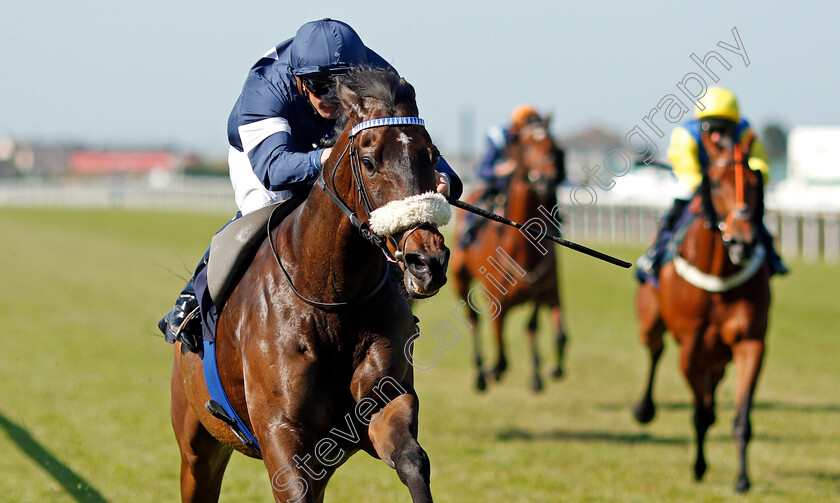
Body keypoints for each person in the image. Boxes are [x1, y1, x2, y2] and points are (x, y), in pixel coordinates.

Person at [159, 19, 461, 349]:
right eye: (318, 84)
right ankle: (194, 295)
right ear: (299, 80)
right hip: (268, 154)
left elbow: (409, 142)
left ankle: (390, 305)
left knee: (366, 211)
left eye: (341, 84)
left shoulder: (379, 75)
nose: (330, 96)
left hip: (336, 149)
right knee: (263, 211)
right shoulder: (265, 85)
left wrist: (443, 177)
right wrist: (328, 159)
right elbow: (275, 169)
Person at [636, 86, 787, 282]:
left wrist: (752, 175)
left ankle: (771, 255)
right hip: (697, 186)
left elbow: (760, 163)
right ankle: (655, 253)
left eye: (724, 129)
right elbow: (687, 171)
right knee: (676, 211)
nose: (716, 136)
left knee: (752, 215)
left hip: (728, 187)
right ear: (701, 125)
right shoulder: (685, 135)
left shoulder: (745, 132)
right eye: (711, 129)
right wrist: (707, 187)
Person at [460, 104, 558, 247]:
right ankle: (468, 234)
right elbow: (482, 170)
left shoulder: (540, 140)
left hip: (530, 186)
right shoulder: (499, 137)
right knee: (480, 206)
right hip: (500, 187)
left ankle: (555, 226)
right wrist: (500, 170)